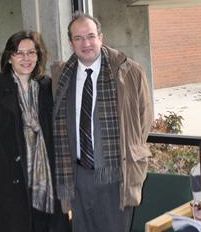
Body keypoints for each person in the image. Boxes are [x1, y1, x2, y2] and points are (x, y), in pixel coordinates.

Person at [52, 12, 153, 231]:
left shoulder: (129, 72)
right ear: (71, 43)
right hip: (76, 176)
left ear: (101, 37)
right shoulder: (62, 75)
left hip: (116, 176)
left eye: (90, 36)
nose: (85, 43)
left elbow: (144, 120)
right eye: (78, 38)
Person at [0, 31, 69, 231]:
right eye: (20, 53)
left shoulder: (46, 87)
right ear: (9, 57)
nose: (26, 58)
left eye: (31, 53)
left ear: (38, 56)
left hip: (46, 185)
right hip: (8, 185)